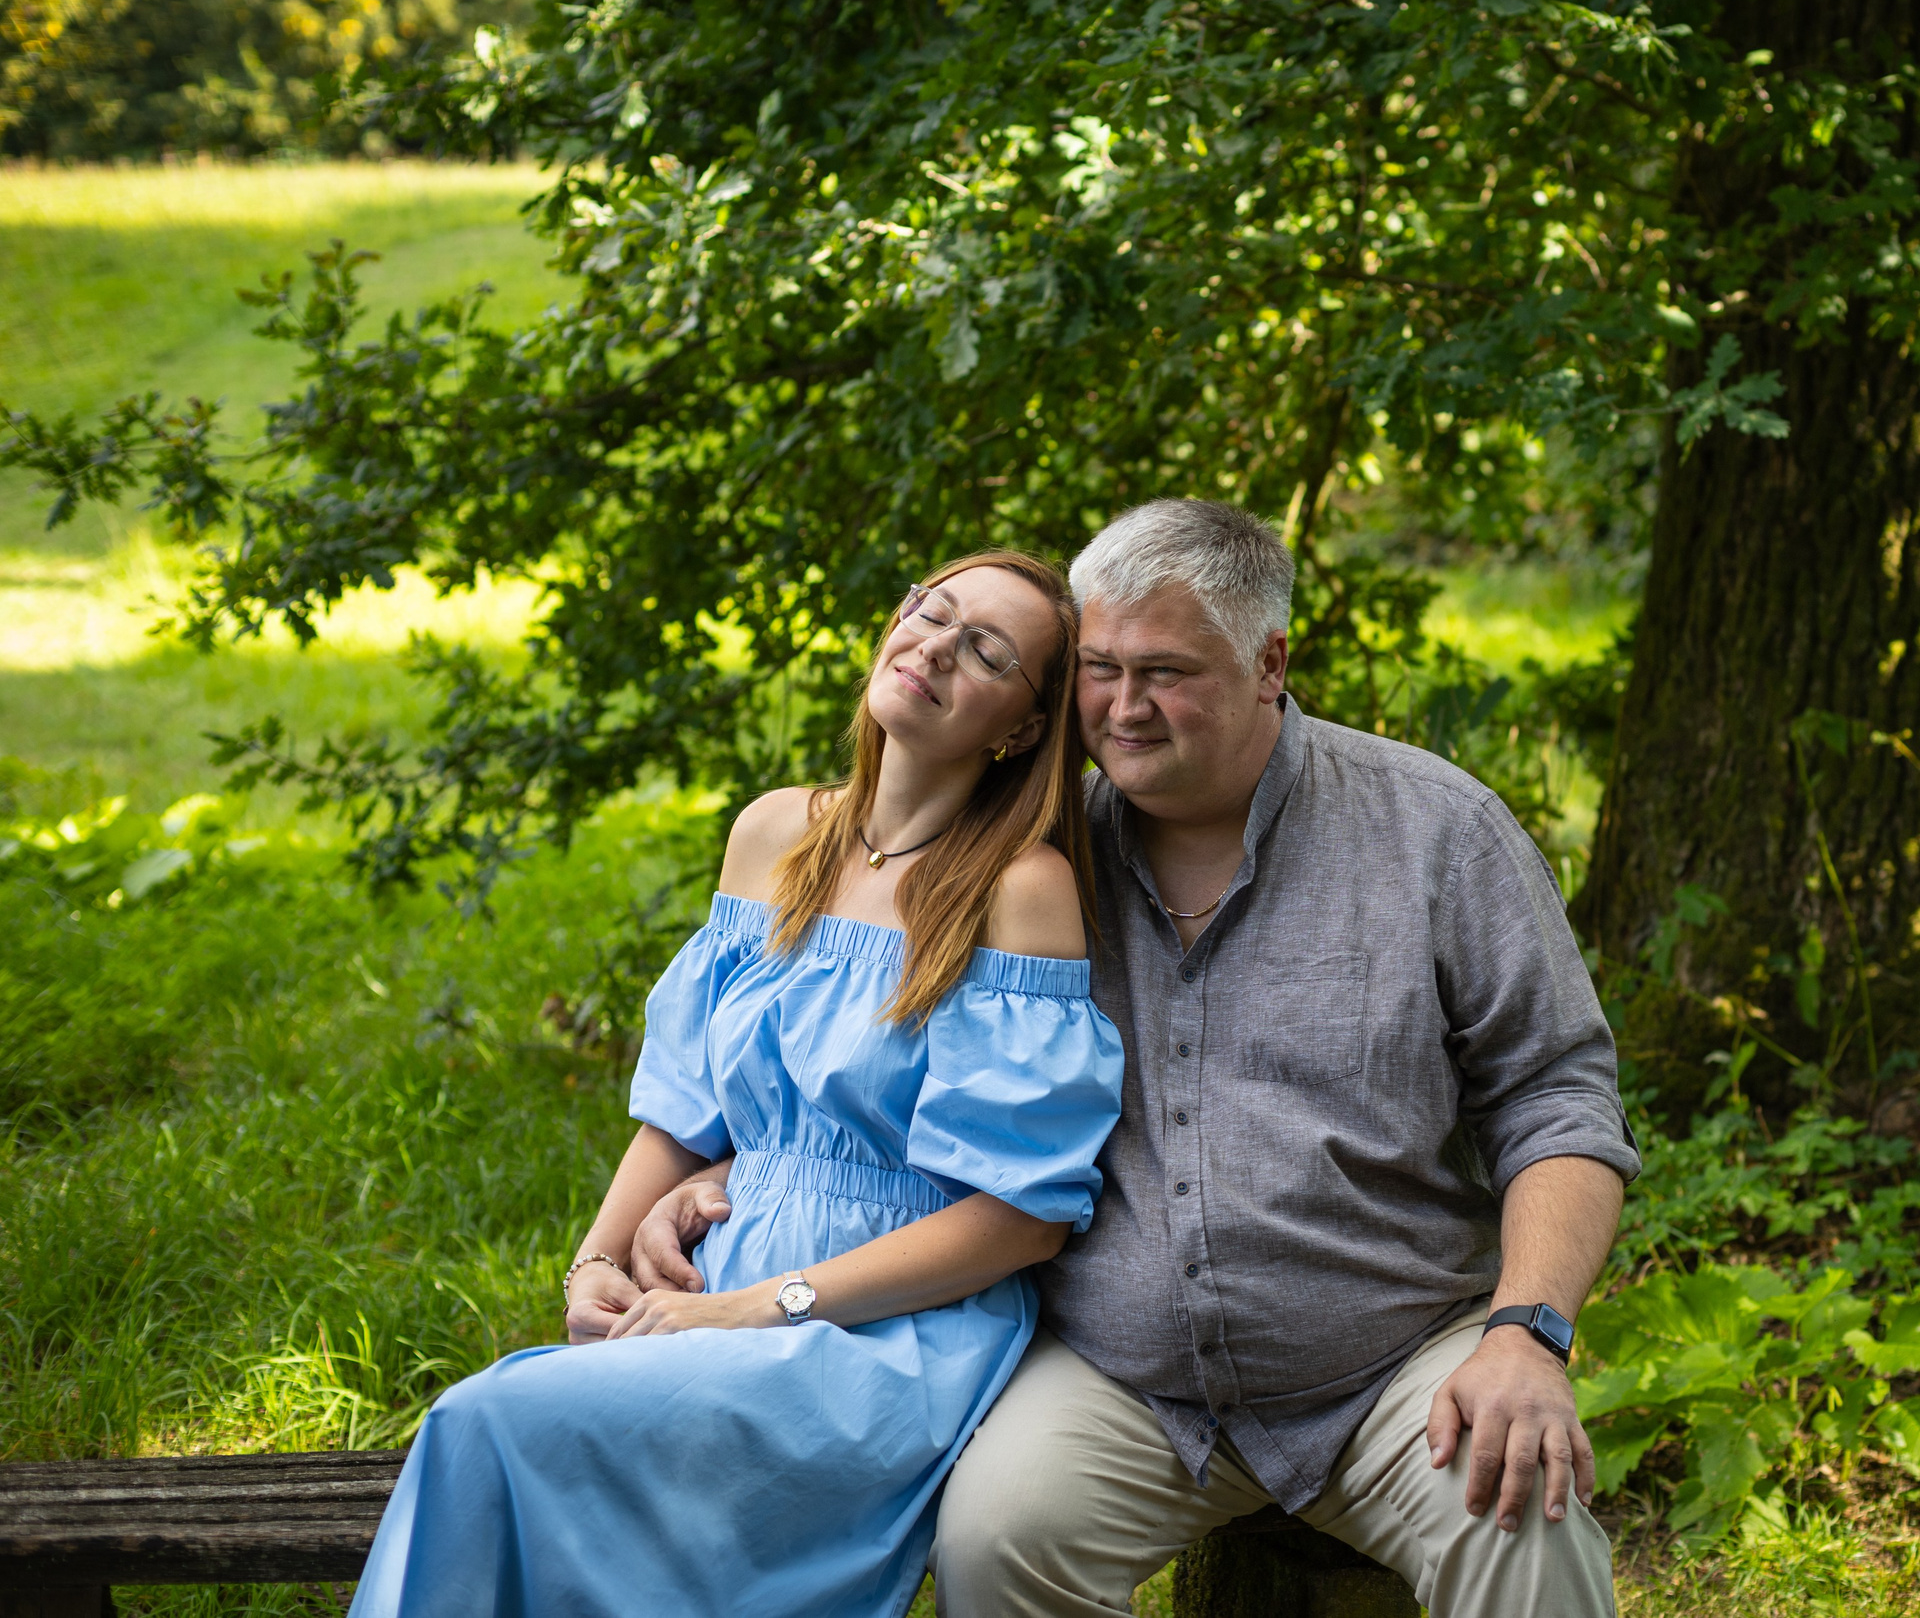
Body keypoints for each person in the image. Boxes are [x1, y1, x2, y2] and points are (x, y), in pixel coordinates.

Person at [639, 500, 1639, 1617]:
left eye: (1165, 672)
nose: (1121, 708)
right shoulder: (1030, 863)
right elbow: (898, 1092)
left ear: (1271, 663)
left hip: (1392, 1364)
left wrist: (1527, 1334)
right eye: (1100, 668)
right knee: (997, 1543)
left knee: (1522, 1530)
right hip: (1126, 1386)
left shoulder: (1434, 832)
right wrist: (735, 1169)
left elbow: (1558, 1102)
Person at [349, 550, 1125, 1618]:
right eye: (928, 611)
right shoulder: (775, 834)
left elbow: (1018, 1221)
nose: (935, 646)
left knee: (490, 1421)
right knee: (511, 1426)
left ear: (1023, 729)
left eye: (985, 650)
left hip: (889, 1327)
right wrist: (593, 1263)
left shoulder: (1016, 891)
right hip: (719, 1278)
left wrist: (762, 1308)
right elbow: (681, 1112)